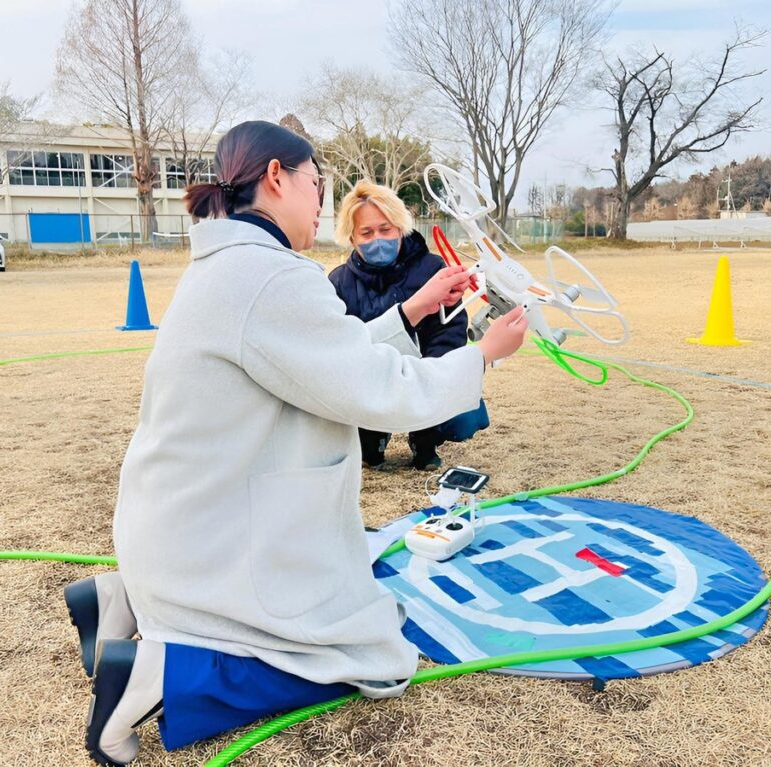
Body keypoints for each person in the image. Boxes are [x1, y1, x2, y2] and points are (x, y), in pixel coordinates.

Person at [63, 120, 528, 766]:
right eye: (316, 184)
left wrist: (415, 309)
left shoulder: (233, 266)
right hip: (204, 543)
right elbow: (379, 387)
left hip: (172, 529)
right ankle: (158, 673)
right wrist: (483, 358)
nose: (319, 202)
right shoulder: (271, 277)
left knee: (357, 610)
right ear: (276, 179)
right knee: (371, 653)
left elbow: (327, 358)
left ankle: (119, 600)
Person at [329, 181, 489, 470]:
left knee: (466, 416)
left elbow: (450, 330)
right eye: (366, 232)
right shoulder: (338, 282)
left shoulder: (433, 270)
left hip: (423, 373)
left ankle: (425, 439)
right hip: (372, 380)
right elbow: (341, 349)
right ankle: (371, 437)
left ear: (401, 228)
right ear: (352, 238)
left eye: (386, 229)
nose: (378, 239)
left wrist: (429, 378)